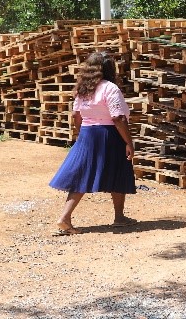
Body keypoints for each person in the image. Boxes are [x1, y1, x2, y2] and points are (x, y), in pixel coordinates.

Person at [49, 52, 136, 235]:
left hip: (88, 134)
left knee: (82, 175)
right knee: (118, 170)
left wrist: (80, 134)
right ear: (109, 68)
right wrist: (128, 142)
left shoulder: (83, 89)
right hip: (109, 134)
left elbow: (76, 115)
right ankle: (118, 217)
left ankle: (66, 217)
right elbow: (118, 118)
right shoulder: (110, 88)